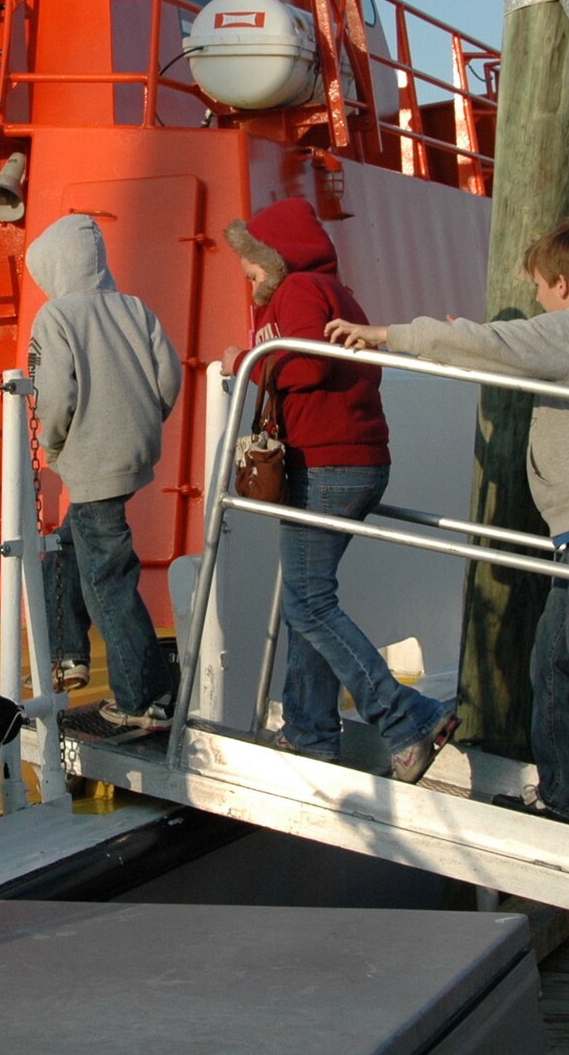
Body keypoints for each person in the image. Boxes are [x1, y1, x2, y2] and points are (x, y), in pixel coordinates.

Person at [329, 215, 569, 846]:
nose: (536, 298)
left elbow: (499, 345)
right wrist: (467, 337)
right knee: (555, 664)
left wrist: (384, 336)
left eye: (540, 285)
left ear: (563, 285)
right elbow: (501, 343)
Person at [225, 198, 457, 783]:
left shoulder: (300, 292)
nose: (245, 273)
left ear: (276, 259)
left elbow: (307, 367)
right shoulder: (326, 290)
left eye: (251, 261)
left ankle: (407, 719)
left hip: (327, 464)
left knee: (308, 602)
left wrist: (248, 361)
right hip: (352, 460)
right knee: (311, 601)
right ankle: (310, 731)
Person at [25, 215, 183, 730]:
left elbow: (55, 397)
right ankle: (68, 649)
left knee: (107, 578)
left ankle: (143, 696)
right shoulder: (134, 308)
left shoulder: (55, 317)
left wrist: (54, 444)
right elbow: (168, 376)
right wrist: (143, 421)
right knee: (73, 545)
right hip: (130, 454)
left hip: (90, 457)